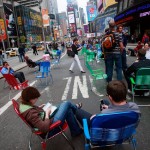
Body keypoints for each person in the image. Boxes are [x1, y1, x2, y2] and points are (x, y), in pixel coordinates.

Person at [75, 80, 140, 126]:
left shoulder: (104, 115)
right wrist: (109, 108)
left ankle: (77, 130)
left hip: (105, 137)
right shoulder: (134, 108)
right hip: (124, 134)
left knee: (77, 111)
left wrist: (94, 117)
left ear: (110, 97)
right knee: (105, 102)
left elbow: (95, 122)